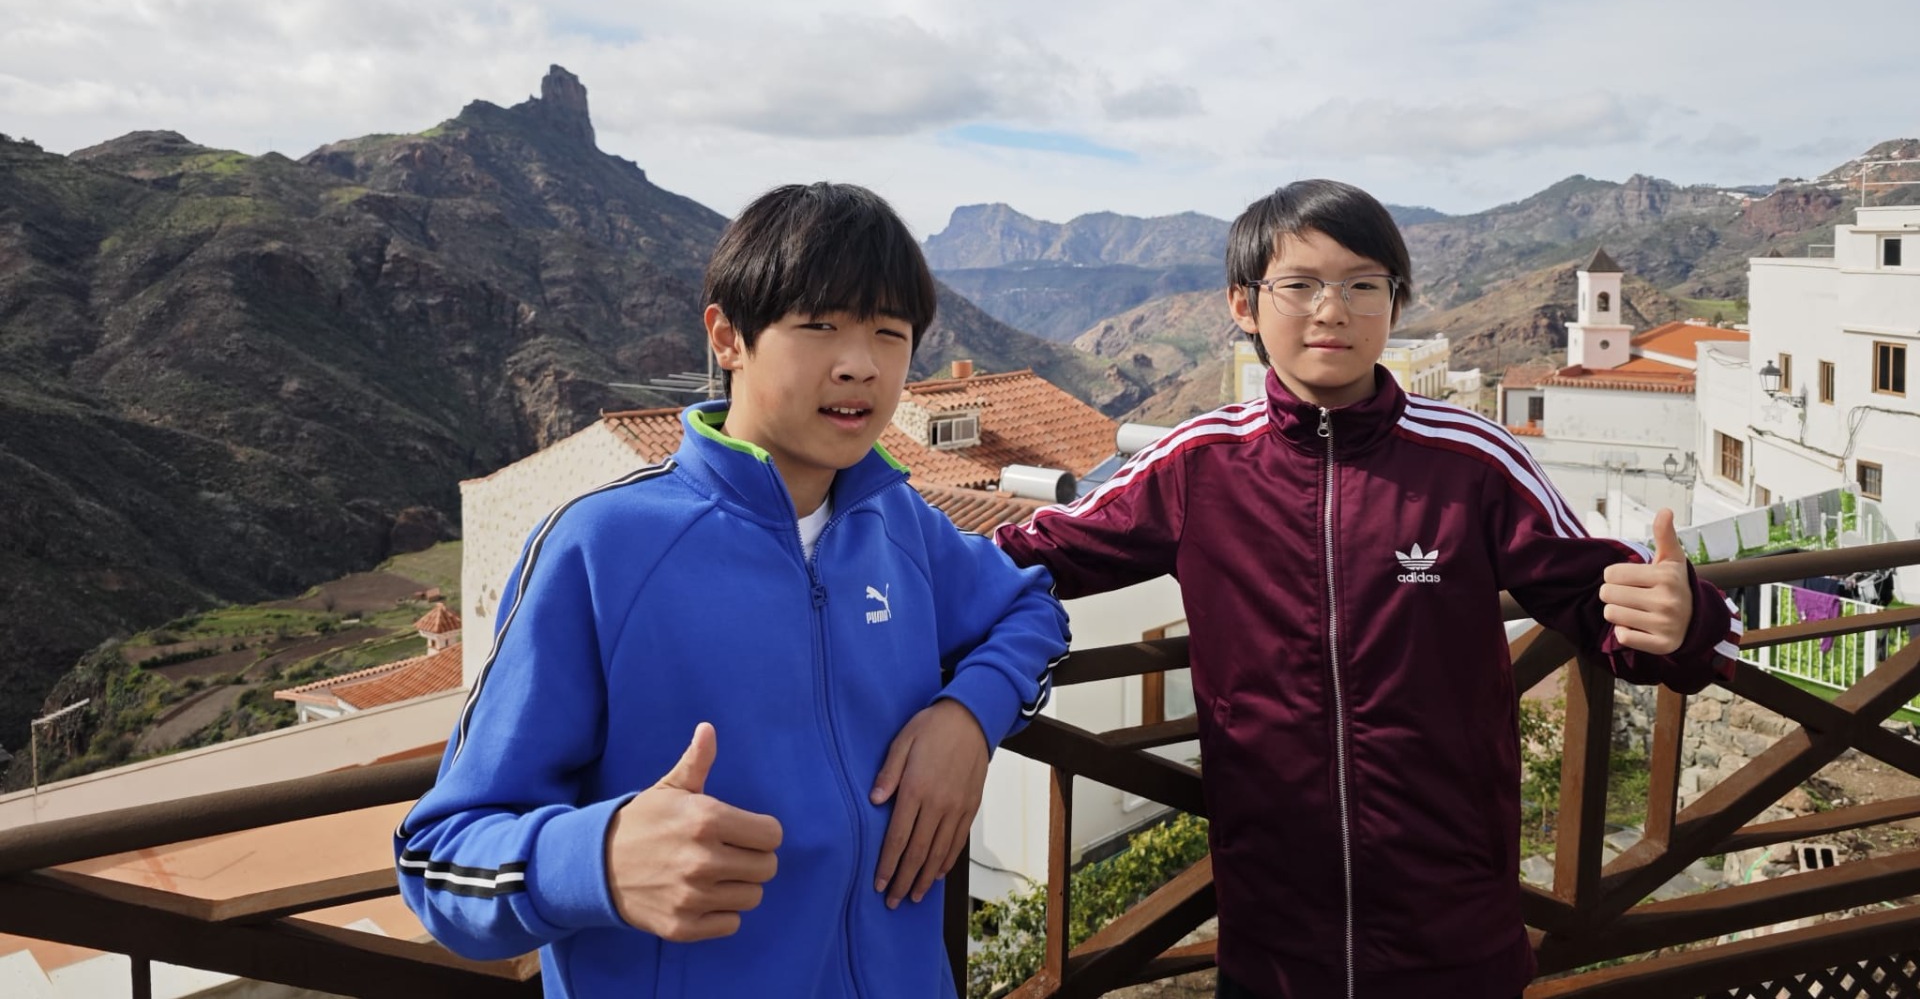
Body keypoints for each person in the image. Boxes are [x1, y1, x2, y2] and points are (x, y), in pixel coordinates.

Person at [994, 179, 1738, 999]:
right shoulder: (1196, 464)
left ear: (1395, 301)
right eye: (1300, 285)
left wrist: (1684, 614)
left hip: (1455, 933)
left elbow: (1604, 598)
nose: (1331, 310)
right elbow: (1024, 554)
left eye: (1362, 285)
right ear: (1244, 304)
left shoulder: (1472, 462)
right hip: (1274, 945)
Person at [397, 182, 1070, 998]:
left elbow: (1030, 607)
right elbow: (437, 856)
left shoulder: (897, 520)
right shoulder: (604, 548)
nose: (859, 362)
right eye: (819, 324)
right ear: (728, 336)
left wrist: (969, 718)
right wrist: (599, 860)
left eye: (889, 333)